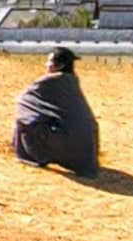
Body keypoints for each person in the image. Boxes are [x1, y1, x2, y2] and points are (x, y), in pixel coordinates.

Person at [12, 46, 99, 177]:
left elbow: (24, 102)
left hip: (66, 143)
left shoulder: (50, 82)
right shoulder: (72, 81)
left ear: (59, 66)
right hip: (86, 149)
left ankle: (34, 156)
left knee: (24, 120)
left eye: (49, 62)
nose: (46, 65)